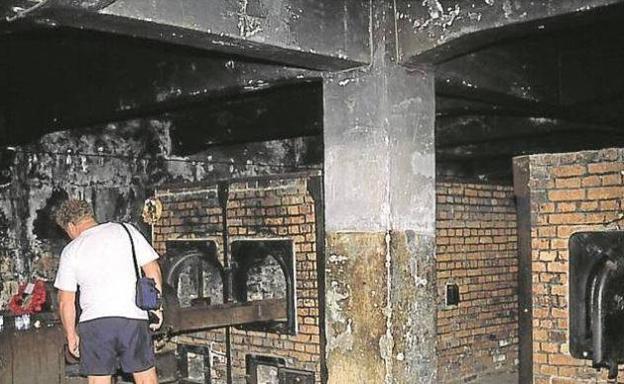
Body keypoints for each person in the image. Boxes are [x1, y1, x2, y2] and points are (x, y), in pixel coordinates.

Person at [53, 199, 163, 384]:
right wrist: (155, 308)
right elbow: (153, 270)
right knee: (146, 380)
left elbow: (65, 301)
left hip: (95, 325)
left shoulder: (71, 250)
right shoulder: (127, 230)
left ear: (71, 226)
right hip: (133, 318)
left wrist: (71, 334)